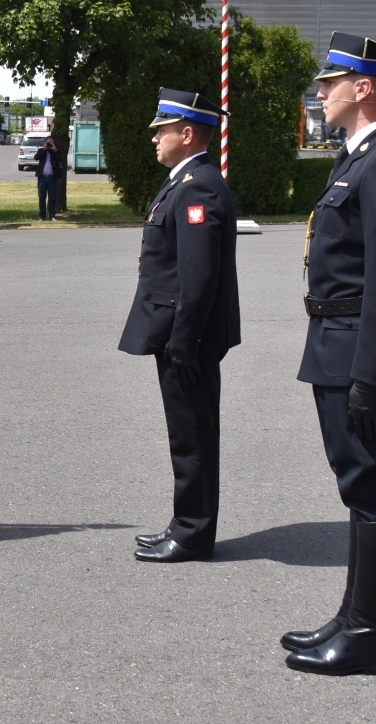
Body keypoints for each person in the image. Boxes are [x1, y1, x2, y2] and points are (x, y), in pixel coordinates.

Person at [282, 32, 376, 677]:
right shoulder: (358, 157)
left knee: (372, 484)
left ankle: (369, 636)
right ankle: (352, 615)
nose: (321, 91)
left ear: (363, 87)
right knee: (358, 484)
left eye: (330, 81)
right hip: (337, 343)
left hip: (362, 352)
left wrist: (371, 375)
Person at [118, 89, 240, 565]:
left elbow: (199, 273)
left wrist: (184, 341)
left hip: (185, 335)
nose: (155, 139)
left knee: (192, 435)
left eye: (162, 130)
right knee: (186, 432)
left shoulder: (198, 186)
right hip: (177, 331)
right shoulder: (187, 180)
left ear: (187, 134)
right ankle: (185, 521)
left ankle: (193, 532)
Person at [34, 136, 65, 221]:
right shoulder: (41, 151)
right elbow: (36, 157)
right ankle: (42, 216)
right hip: (42, 178)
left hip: (52, 178)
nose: (50, 145)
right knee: (42, 197)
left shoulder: (55, 152)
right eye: (48, 143)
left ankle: (52, 215)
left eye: (51, 143)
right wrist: (44, 149)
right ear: (45, 143)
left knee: (52, 197)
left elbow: (60, 159)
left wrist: (54, 150)